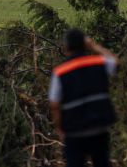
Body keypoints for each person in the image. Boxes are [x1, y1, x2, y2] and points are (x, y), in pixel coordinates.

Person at [49, 29, 118, 167]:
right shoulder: (98, 63)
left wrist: (59, 128)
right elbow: (116, 63)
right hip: (99, 127)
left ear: (66, 47)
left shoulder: (60, 72)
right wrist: (94, 47)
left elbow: (54, 104)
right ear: (85, 45)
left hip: (74, 131)